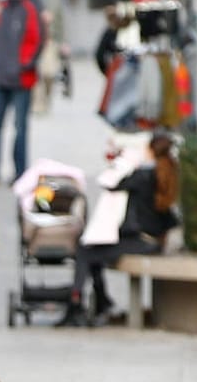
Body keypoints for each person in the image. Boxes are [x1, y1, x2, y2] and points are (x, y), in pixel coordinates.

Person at [65, 133, 180, 327]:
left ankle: (76, 303)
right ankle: (102, 301)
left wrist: (124, 161)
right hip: (154, 241)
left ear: (151, 151)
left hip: (142, 242)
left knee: (85, 251)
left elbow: (111, 184)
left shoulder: (143, 176)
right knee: (94, 251)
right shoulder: (166, 173)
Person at [0, 0, 45, 184]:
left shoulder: (29, 9)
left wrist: (24, 65)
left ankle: (20, 173)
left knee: (20, 128)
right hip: (1, 78)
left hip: (21, 80)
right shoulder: (0, 9)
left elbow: (37, 39)